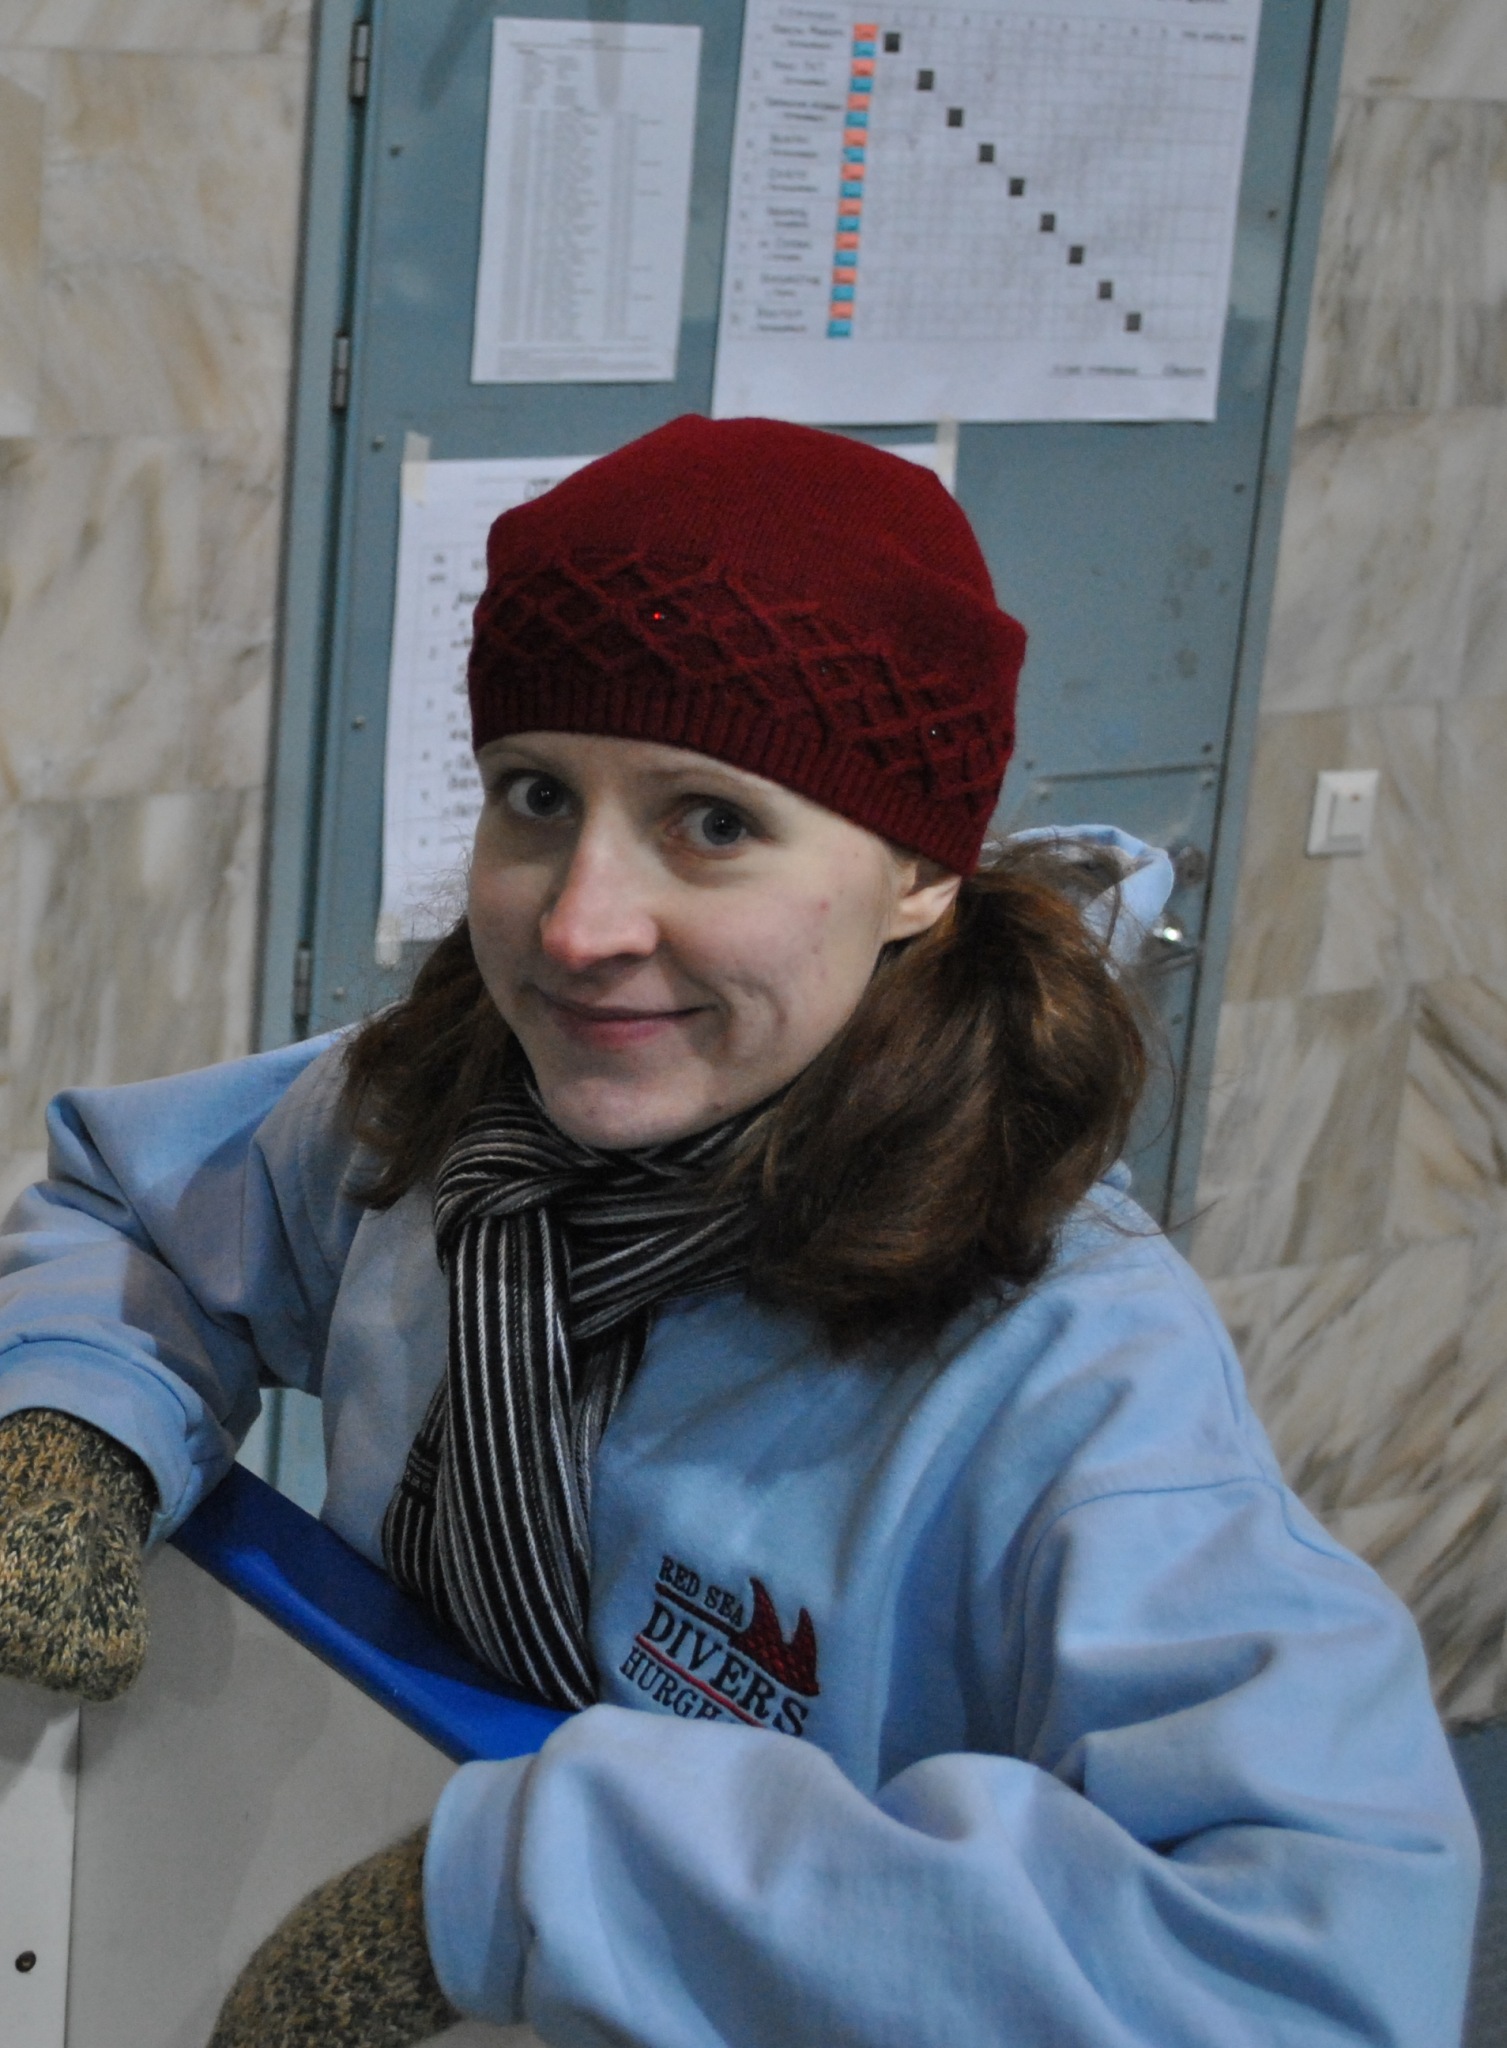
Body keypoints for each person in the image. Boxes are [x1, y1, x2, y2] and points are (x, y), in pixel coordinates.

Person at [0, 416, 1479, 2048]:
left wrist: (552, 1884)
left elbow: (1320, 1965)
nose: (581, 924)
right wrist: (78, 1418)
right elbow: (133, 1211)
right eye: (535, 796)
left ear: (918, 874)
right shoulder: (434, 1118)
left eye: (712, 822)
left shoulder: (1065, 1367)